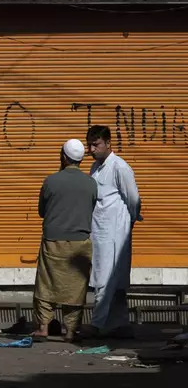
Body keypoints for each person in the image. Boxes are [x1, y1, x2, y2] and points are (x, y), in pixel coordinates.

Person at [32, 139, 97, 343]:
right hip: (80, 242)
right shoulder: (91, 182)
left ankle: (43, 327)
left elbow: (42, 211)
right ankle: (70, 331)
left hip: (53, 240)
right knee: (75, 287)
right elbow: (91, 208)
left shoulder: (51, 181)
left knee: (46, 284)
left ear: (63, 156)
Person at [84, 125, 142, 339]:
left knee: (105, 280)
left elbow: (133, 199)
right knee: (112, 281)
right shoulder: (95, 167)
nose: (92, 149)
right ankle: (120, 325)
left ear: (108, 144)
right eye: (89, 144)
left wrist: (129, 221)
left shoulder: (120, 167)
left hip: (115, 233)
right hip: (100, 232)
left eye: (96, 144)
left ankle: (97, 325)